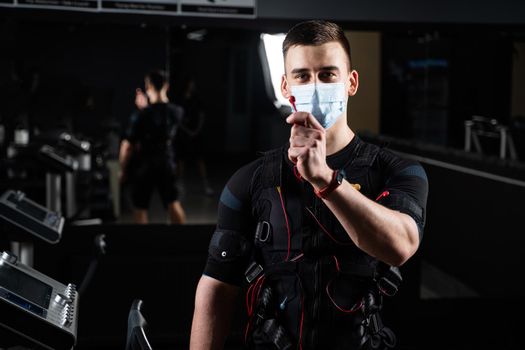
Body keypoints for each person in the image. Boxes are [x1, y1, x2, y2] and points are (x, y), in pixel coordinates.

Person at [190, 20, 428, 350]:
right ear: (286, 86)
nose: (315, 86)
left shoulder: (396, 171)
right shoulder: (252, 180)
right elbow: (217, 285)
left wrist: (326, 181)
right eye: (302, 76)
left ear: (351, 82)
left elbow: (401, 246)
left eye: (328, 74)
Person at [119, 69, 186, 224]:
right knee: (173, 203)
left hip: (145, 165)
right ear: (166, 86)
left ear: (148, 86)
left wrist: (122, 170)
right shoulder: (177, 112)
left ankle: (143, 244)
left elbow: (127, 145)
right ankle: (183, 240)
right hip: (166, 162)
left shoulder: (141, 115)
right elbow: (162, 113)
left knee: (140, 207)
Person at [175, 76, 214, 196]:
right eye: (191, 83)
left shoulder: (197, 99)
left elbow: (202, 115)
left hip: (196, 134)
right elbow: (178, 118)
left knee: (200, 159)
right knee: (181, 159)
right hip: (184, 133)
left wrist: (197, 130)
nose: (193, 86)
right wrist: (185, 130)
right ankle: (179, 183)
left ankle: (206, 184)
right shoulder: (180, 100)